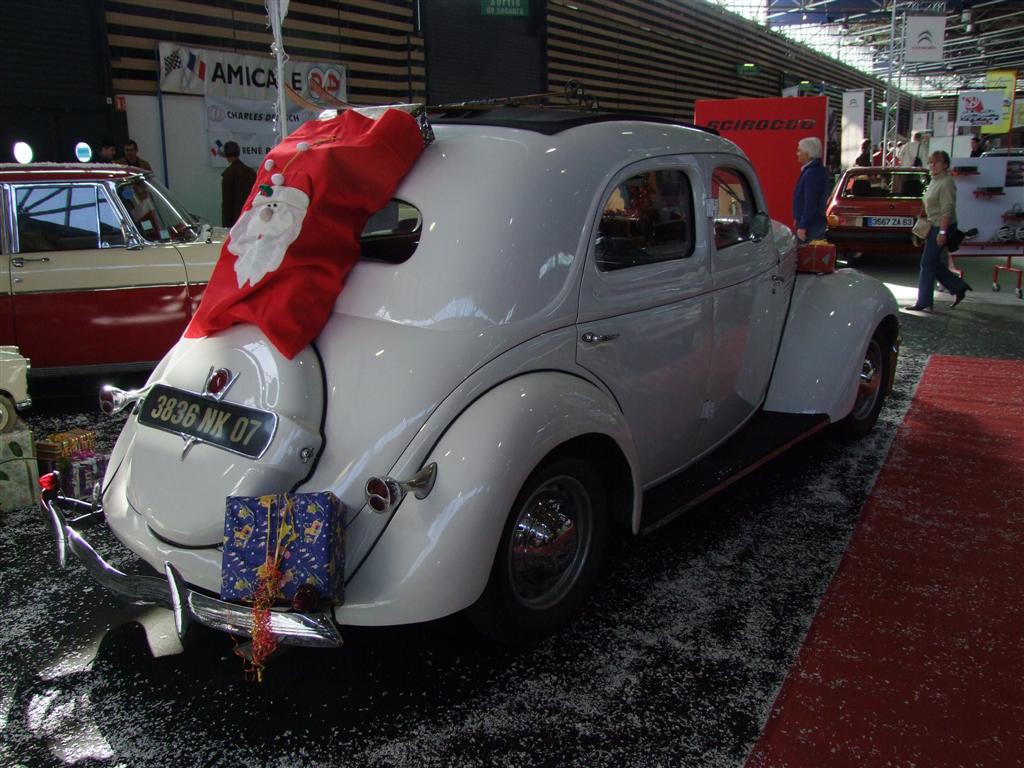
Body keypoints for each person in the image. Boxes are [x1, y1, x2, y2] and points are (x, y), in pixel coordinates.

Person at [910, 150, 971, 311]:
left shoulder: (946, 182)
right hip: (934, 225)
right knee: (931, 263)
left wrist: (942, 232)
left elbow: (947, 210)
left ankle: (924, 301)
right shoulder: (934, 180)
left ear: (945, 165)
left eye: (936, 162)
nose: (932, 165)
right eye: (930, 162)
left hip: (942, 226)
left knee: (927, 263)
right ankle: (958, 287)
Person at [792, 136, 828, 242]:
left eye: (799, 151)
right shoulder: (814, 171)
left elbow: (810, 202)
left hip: (812, 226)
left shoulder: (812, 173)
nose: (797, 154)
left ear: (807, 153)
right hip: (812, 224)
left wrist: (803, 226)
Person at [221, 141, 257, 227]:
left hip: (235, 220)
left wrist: (226, 225)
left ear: (226, 155)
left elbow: (227, 202)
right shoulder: (251, 172)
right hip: (250, 215)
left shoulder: (228, 175)